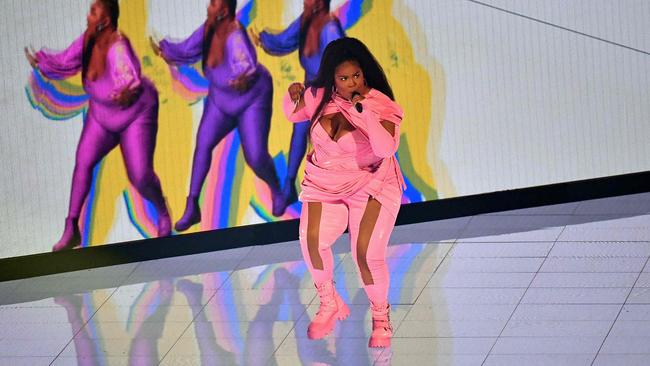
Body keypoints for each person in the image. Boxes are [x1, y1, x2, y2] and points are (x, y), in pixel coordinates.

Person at [282, 37, 404, 348]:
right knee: (310, 240)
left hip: (372, 182)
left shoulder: (382, 105)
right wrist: (292, 94)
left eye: (357, 76)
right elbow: (292, 113)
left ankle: (380, 317)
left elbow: (385, 147)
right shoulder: (320, 96)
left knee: (365, 253)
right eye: (344, 78)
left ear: (365, 74)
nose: (352, 83)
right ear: (332, 79)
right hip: (325, 182)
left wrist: (364, 115)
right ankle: (328, 301)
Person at [25, 0, 171, 251]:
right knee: (83, 162)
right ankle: (71, 227)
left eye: (93, 12)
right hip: (102, 114)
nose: (88, 16)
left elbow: (128, 78)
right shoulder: (88, 39)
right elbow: (65, 60)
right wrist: (41, 61)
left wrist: (126, 89)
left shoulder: (117, 47)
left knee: (140, 175)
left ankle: (163, 213)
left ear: (104, 21)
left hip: (135, 114)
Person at [150, 0, 284, 231]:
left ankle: (277, 190)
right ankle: (192, 205)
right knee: (202, 145)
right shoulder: (209, 28)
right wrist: (165, 50)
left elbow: (246, 65)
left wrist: (242, 75)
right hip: (220, 99)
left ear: (223, 11)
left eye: (213, 4)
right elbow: (187, 49)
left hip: (251, 99)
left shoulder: (235, 35)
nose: (208, 7)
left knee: (255, 156)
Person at [250, 0, 345, 214]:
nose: (305, 1)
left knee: (331, 142)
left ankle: (337, 196)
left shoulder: (330, 28)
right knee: (299, 132)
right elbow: (286, 39)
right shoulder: (306, 20)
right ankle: (289, 186)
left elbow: (342, 65)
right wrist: (263, 39)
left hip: (331, 93)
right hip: (311, 88)